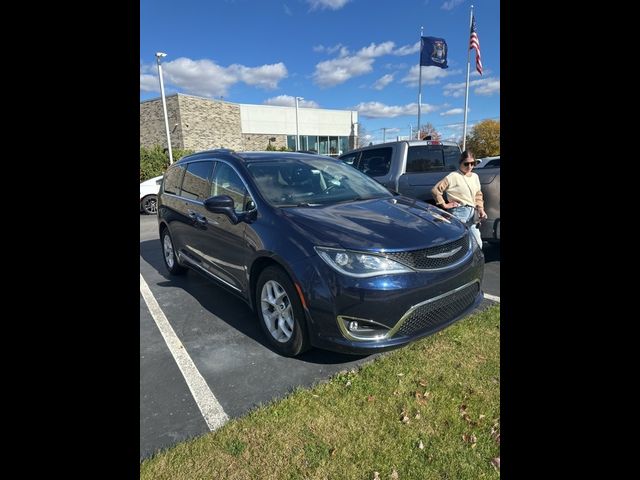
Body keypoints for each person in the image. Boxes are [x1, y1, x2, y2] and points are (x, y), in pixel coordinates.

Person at [431, 150, 488, 248]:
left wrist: (481, 209)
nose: (469, 166)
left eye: (472, 163)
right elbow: (435, 190)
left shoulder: (475, 176)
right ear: (460, 163)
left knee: (478, 244)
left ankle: (474, 262)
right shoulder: (453, 176)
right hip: (459, 212)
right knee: (459, 245)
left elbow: (478, 195)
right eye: (466, 164)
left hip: (473, 214)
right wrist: (444, 204)